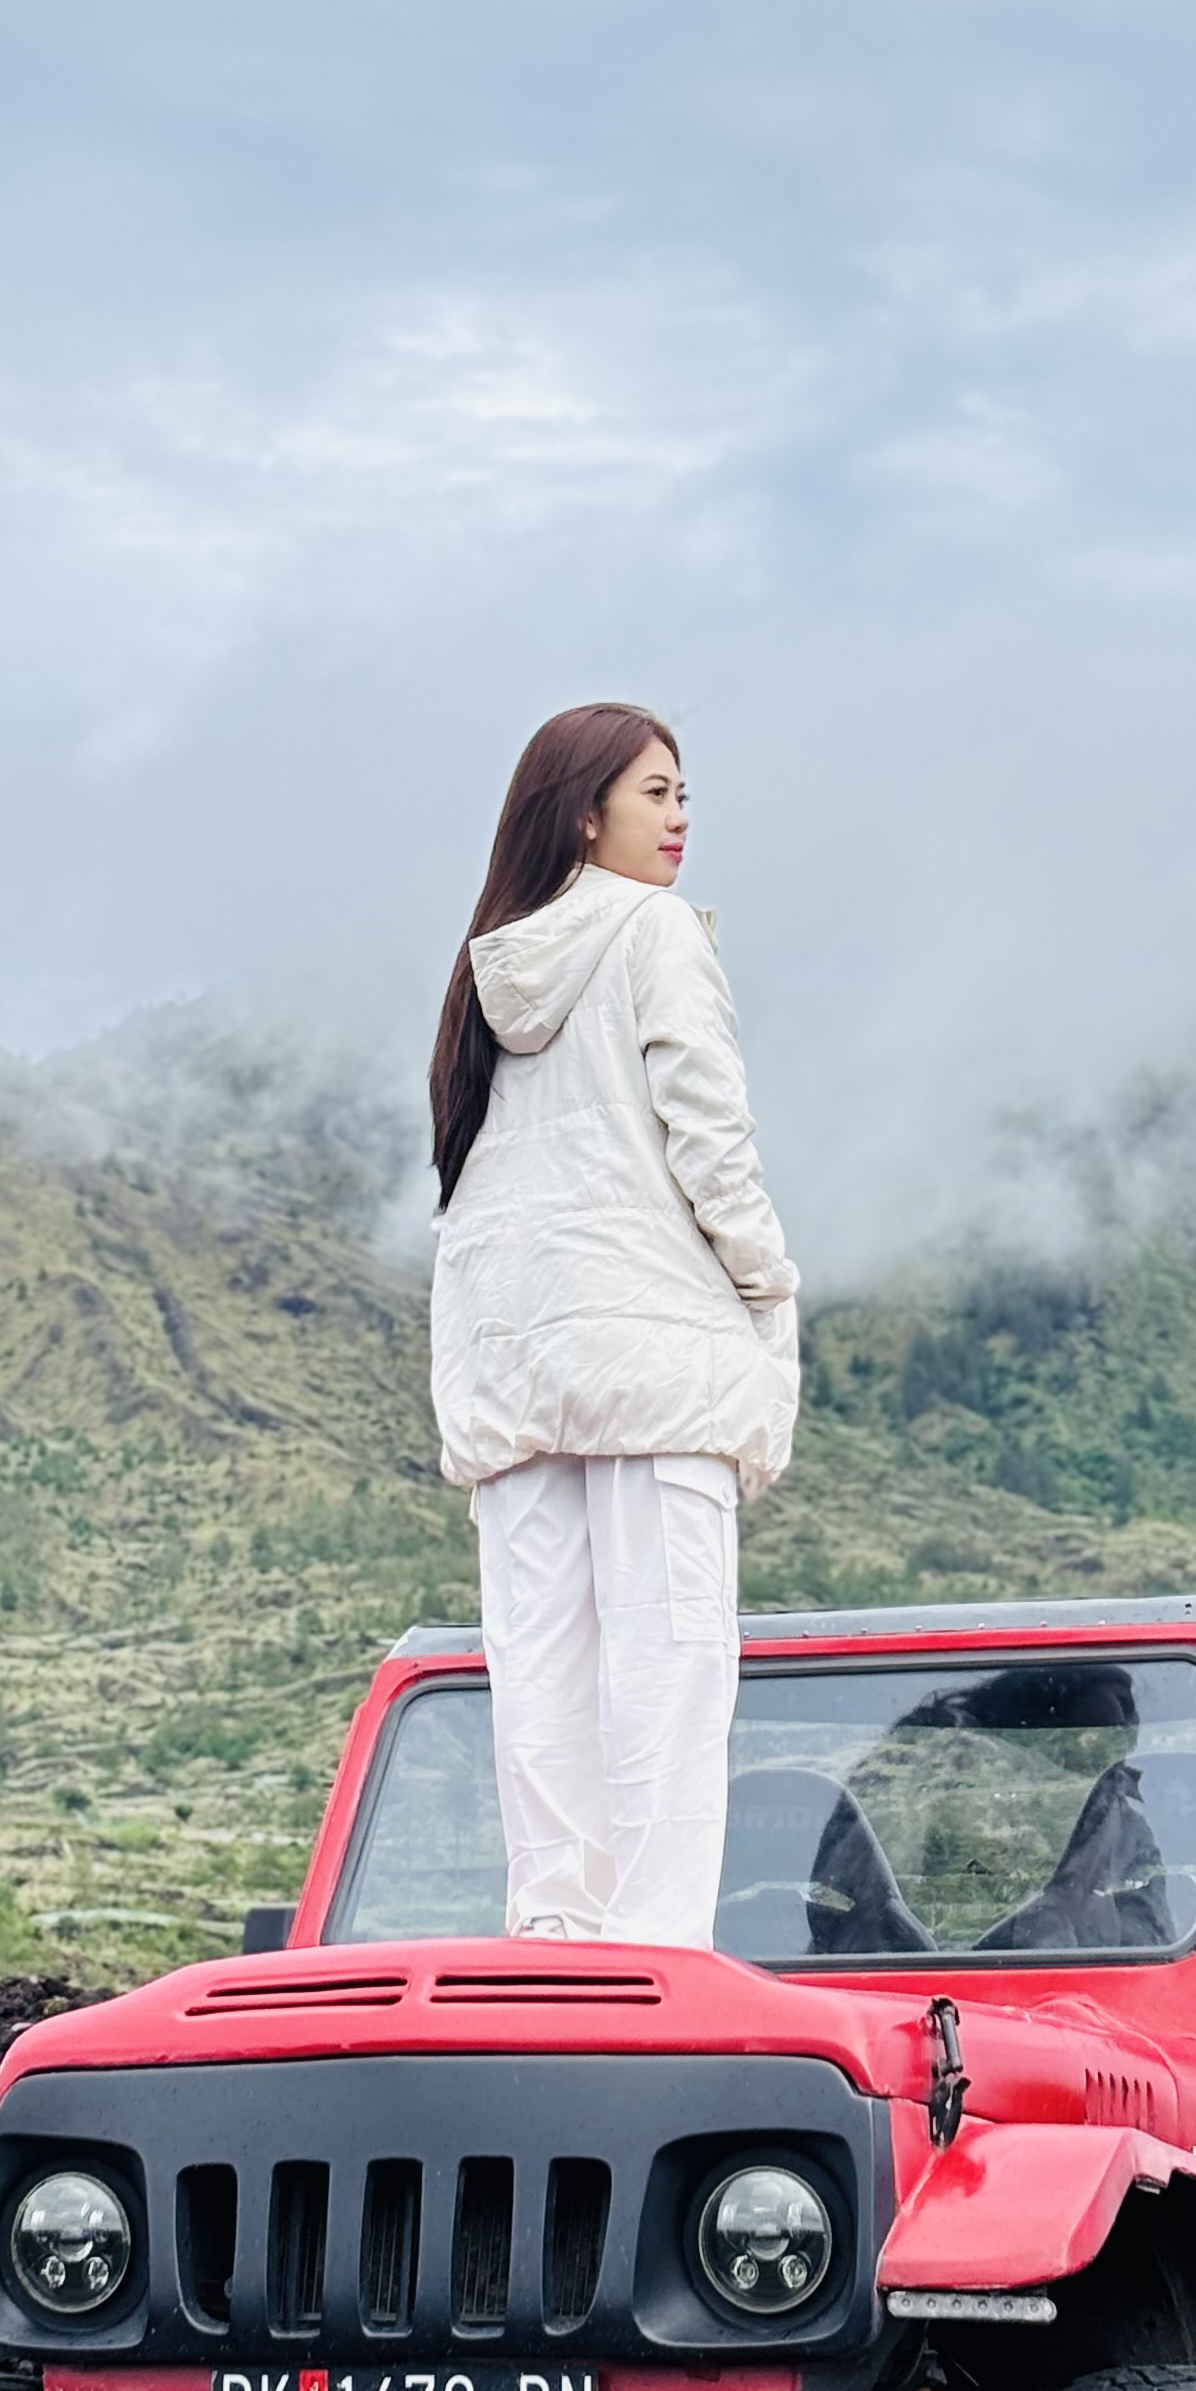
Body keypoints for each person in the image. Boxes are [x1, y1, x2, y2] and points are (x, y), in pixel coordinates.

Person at [427, 702, 799, 1946]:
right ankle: (657, 1955)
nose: (682, 817)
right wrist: (766, 1285)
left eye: (685, 793)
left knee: (543, 1672)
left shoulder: (493, 966)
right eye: (657, 793)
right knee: (673, 1662)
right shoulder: (655, 935)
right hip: (650, 1350)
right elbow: (712, 1141)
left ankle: (556, 1936)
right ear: (586, 814)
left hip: (515, 1366)